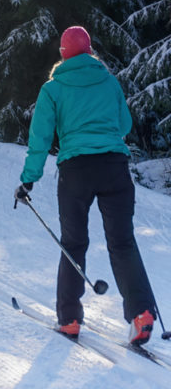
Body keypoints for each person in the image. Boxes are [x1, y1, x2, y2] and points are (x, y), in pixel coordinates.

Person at [14, 25, 156, 345]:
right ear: (90, 50)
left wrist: (28, 180)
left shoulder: (53, 88)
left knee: (74, 244)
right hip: (114, 167)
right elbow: (124, 125)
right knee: (122, 242)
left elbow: (40, 139)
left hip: (76, 170)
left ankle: (69, 321)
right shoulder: (108, 81)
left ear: (63, 54)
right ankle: (141, 313)